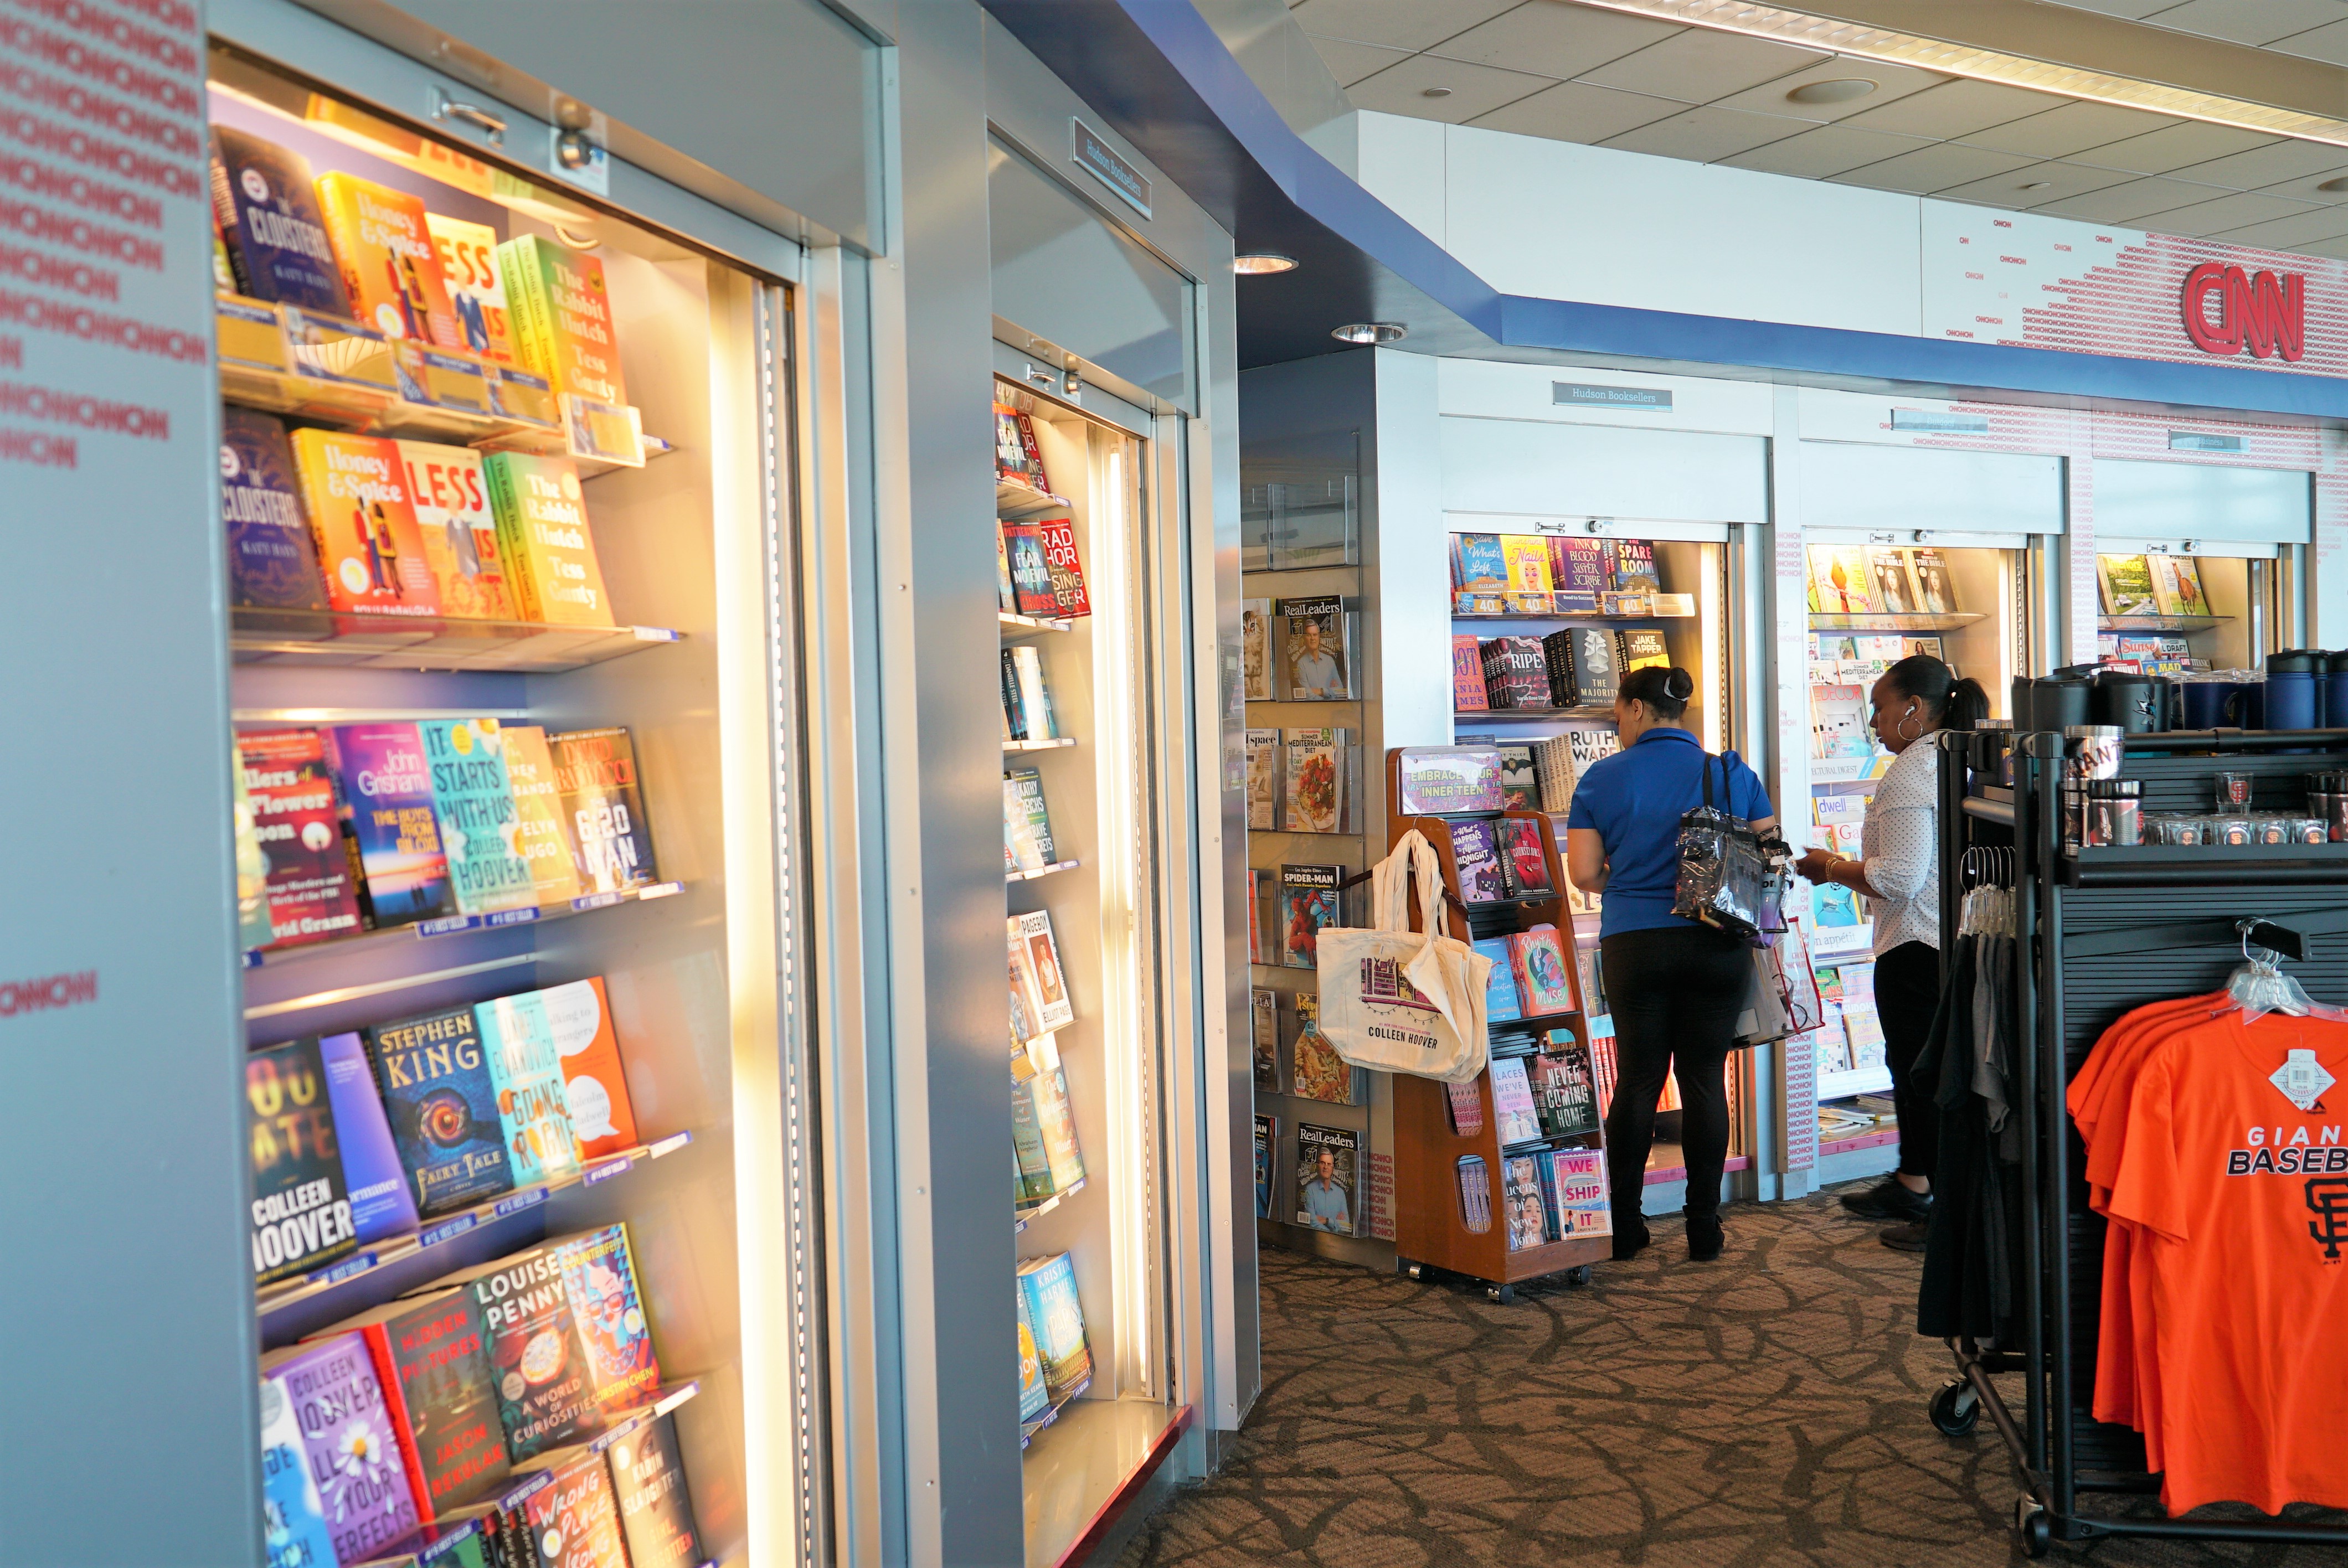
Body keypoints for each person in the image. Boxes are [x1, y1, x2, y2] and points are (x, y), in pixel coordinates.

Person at [1566, 666, 1775, 1262]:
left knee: (1638, 1079)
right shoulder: (1732, 773)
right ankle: (1703, 1227)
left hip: (1636, 943)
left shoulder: (1603, 778)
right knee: (1704, 1078)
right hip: (1715, 943)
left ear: (1636, 709)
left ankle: (1625, 1226)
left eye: (1617, 715)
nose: (1617, 726)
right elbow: (1769, 857)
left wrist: (1632, 882)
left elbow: (1584, 873)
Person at [1793, 653, 1986, 1251]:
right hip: (1949, 939)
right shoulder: (1957, 756)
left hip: (1915, 943)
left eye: (1878, 708)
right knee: (1922, 1072)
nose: (1872, 722)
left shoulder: (1911, 771)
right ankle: (1913, 1180)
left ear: (1914, 709)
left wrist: (1830, 867)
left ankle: (1940, 1215)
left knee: (1921, 1077)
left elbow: (1899, 877)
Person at [1300, 1147, 1351, 1232]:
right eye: (1322, 1163)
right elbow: (1312, 1222)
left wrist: (1327, 1221)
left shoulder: (1340, 1193)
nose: (1326, 1167)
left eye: (1329, 1164)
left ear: (1333, 1167)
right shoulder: (1310, 1190)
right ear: (1318, 1165)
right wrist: (1335, 1225)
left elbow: (1346, 1225)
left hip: (1338, 1240)